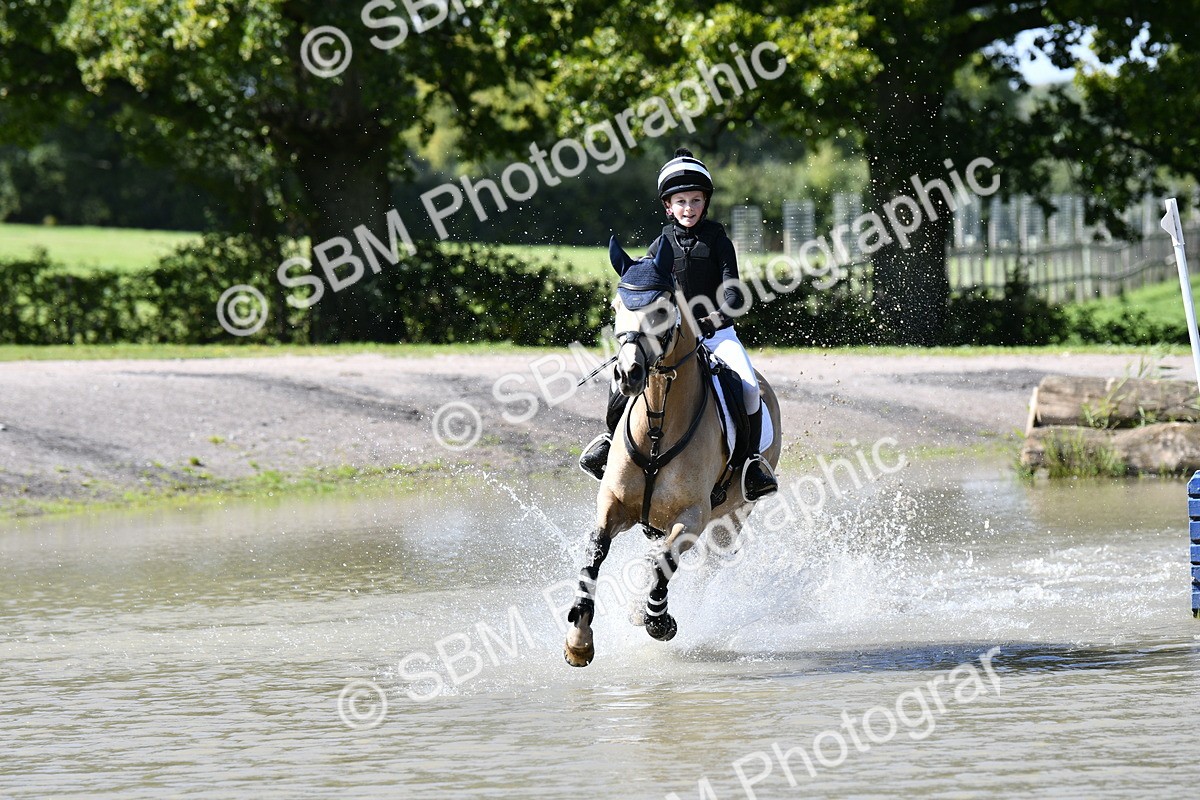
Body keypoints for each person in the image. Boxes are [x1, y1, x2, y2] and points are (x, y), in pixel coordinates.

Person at [579, 147, 778, 501]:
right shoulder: (660, 245)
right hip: (669, 339)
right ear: (668, 206)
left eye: (696, 200)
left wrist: (710, 321)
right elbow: (645, 292)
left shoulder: (718, 241)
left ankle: (751, 465)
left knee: (748, 386)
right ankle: (610, 441)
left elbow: (733, 296)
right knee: (623, 377)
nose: (689, 208)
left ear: (706, 202)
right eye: (681, 201)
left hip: (717, 336)